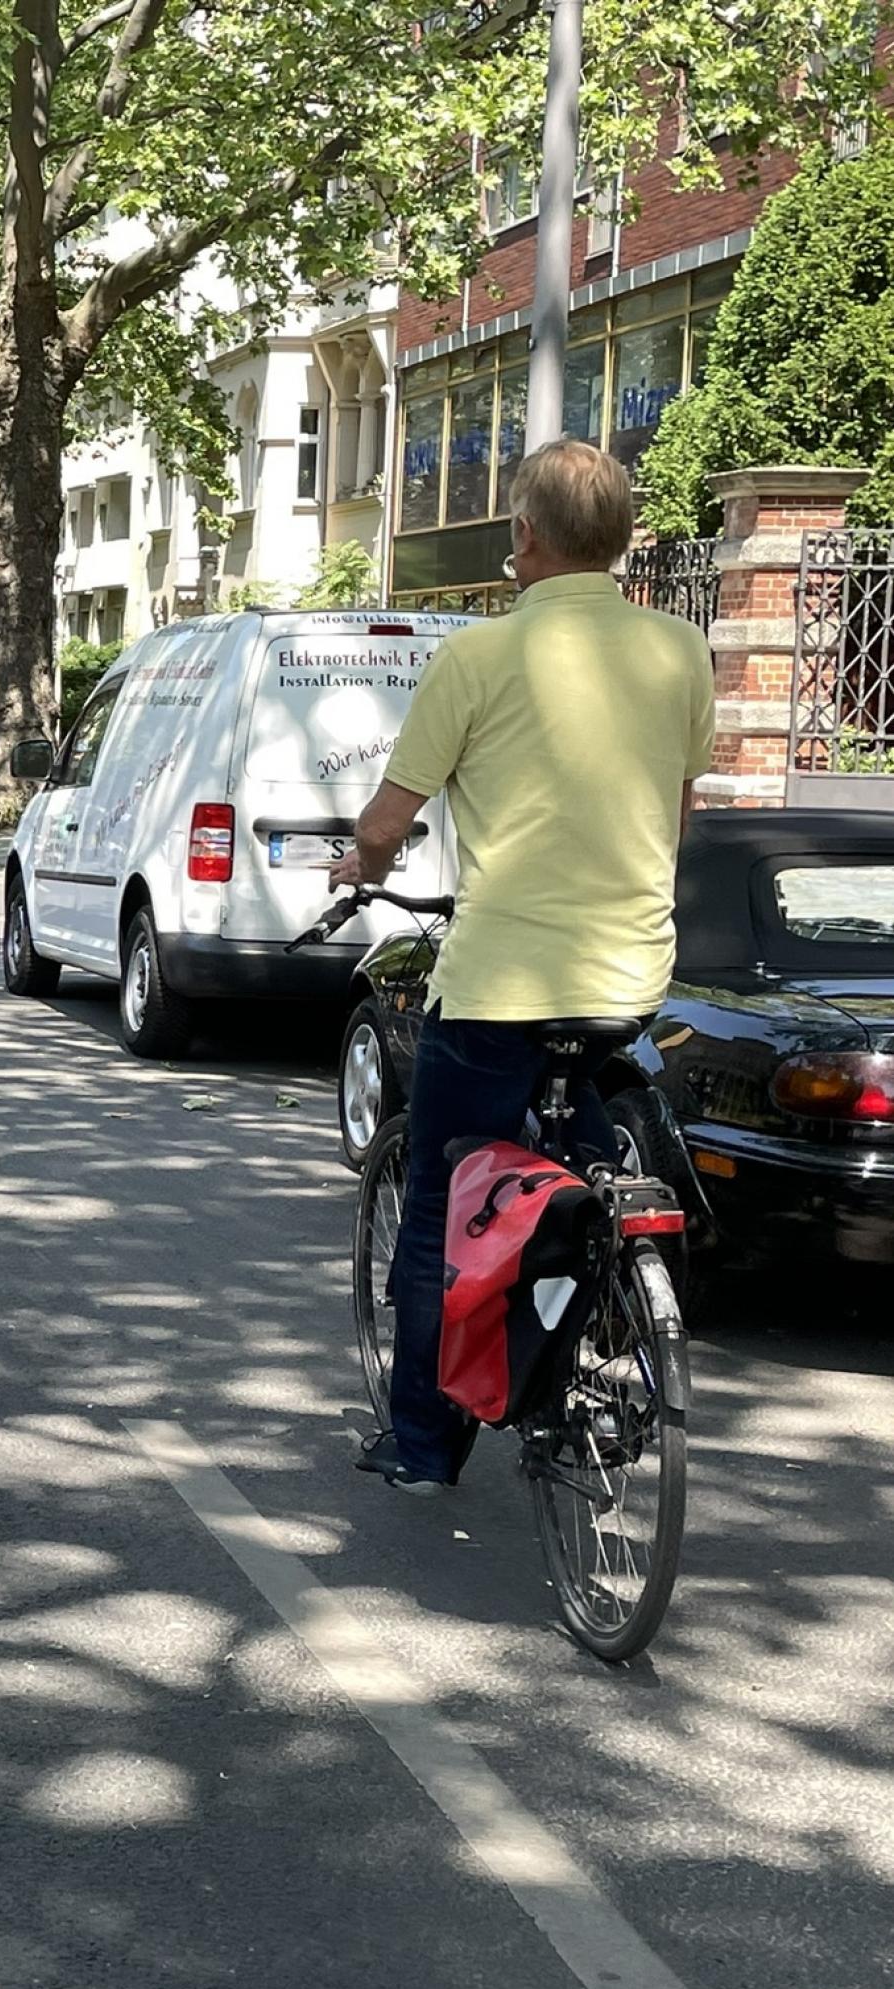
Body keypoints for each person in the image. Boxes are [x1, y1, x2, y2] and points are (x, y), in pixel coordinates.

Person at [328, 439, 716, 1492]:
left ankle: (421, 1446)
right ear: (624, 537)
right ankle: (618, 1307)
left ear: (526, 536)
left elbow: (386, 820)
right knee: (586, 1158)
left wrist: (358, 865)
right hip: (628, 973)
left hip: (502, 980)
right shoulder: (678, 652)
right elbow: (671, 815)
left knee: (443, 1204)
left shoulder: (478, 659)